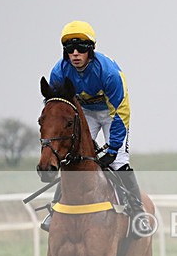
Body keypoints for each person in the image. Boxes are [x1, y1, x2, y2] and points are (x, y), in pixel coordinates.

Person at [41, 20, 149, 237]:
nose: (75, 54)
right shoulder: (58, 73)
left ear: (90, 50)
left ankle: (138, 212)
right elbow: (56, 110)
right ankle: (55, 208)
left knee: (119, 161)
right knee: (71, 158)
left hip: (112, 114)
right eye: (69, 49)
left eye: (81, 48)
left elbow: (120, 113)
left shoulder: (108, 73)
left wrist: (112, 150)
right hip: (84, 113)